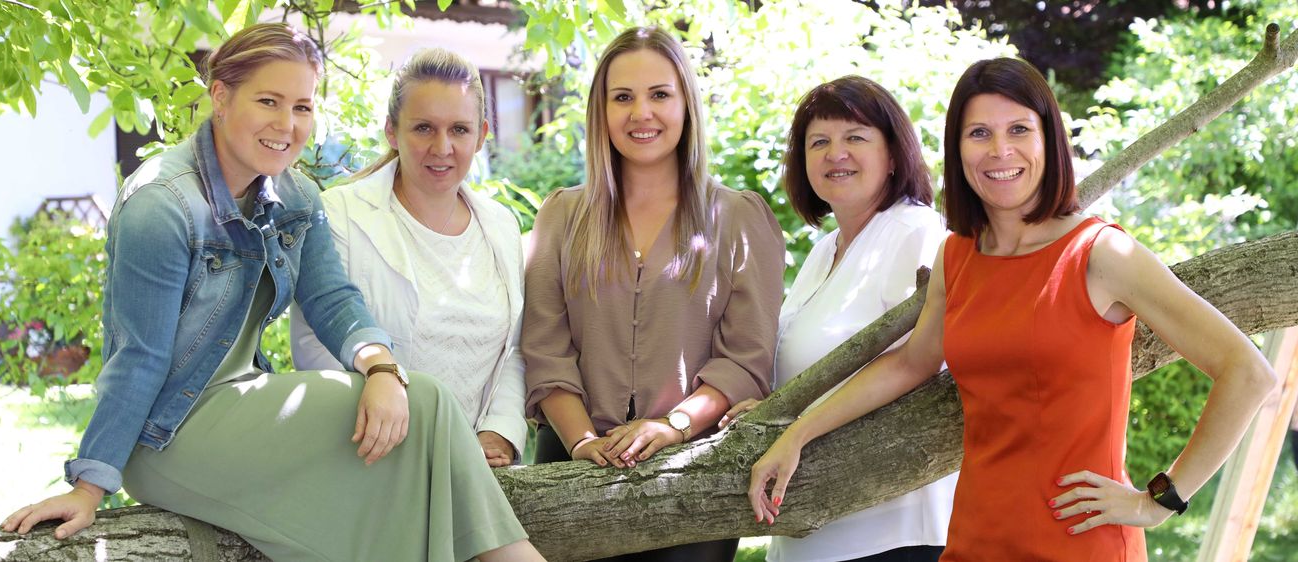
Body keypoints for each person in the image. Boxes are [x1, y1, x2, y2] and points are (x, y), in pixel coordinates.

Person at [0, 23, 542, 562]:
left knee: (416, 402)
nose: (287, 124)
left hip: (243, 398)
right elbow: (138, 358)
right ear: (219, 96)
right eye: (269, 101)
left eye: (303, 107)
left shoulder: (296, 195)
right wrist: (90, 485)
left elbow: (333, 301)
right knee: (422, 417)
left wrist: (381, 368)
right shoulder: (160, 205)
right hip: (165, 433)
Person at [746, 57, 1276, 561]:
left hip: (1078, 541)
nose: (1000, 150)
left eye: (1019, 130)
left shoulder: (1101, 253)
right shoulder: (956, 256)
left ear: (1049, 140)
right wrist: (796, 433)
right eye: (980, 133)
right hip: (976, 537)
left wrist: (1158, 499)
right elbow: (910, 363)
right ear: (958, 149)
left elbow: (1248, 372)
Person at [522, 26, 785, 562]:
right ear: (601, 112)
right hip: (571, 469)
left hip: (693, 473)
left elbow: (747, 358)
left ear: (686, 102)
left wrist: (673, 426)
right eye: (623, 97)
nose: (642, 112)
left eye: (659, 94)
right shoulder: (562, 217)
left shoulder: (736, 217)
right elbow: (545, 348)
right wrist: (580, 444)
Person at [721, 76, 955, 562]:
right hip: (818, 525)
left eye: (855, 137)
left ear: (893, 155)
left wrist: (798, 431)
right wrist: (771, 409)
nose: (835, 153)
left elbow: (919, 363)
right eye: (819, 142)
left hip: (893, 530)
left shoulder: (915, 232)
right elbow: (819, 368)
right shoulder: (825, 249)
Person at [289, 47, 527, 467]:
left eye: (459, 129)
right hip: (373, 462)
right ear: (392, 132)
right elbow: (316, 345)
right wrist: (418, 443)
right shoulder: (341, 214)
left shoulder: (501, 226)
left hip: (482, 467)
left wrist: (500, 431)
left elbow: (514, 348)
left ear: (482, 134)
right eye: (423, 128)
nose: (442, 147)